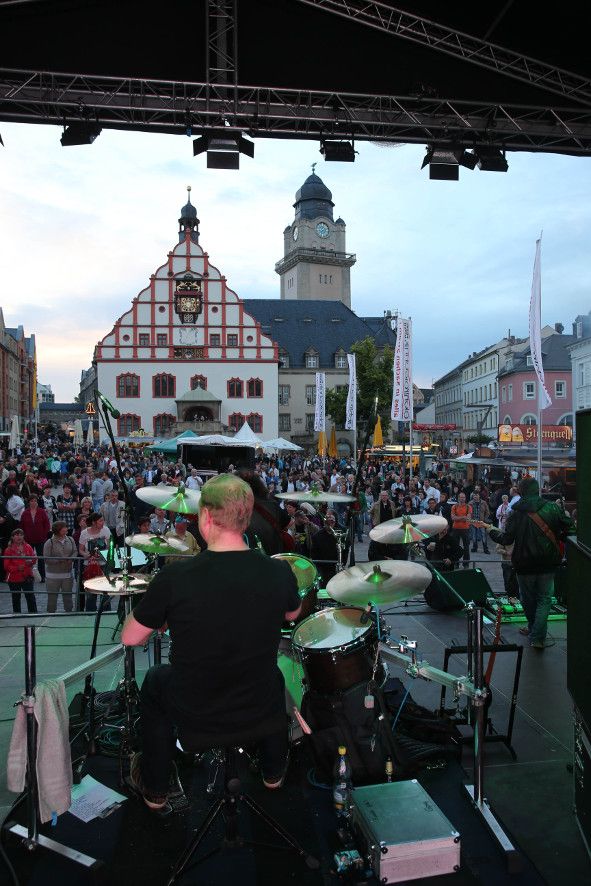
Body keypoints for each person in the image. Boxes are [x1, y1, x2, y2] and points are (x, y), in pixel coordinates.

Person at [121, 474, 301, 810]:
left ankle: (156, 787)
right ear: (246, 517)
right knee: (274, 677)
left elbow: (130, 637)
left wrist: (158, 611)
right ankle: (273, 771)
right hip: (255, 702)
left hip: (196, 709)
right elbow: (292, 615)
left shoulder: (176, 577)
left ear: (205, 518)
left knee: (155, 681)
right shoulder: (279, 572)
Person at [478, 477, 576, 649]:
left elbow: (507, 538)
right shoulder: (552, 508)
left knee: (527, 599)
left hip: (524, 564)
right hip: (548, 562)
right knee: (545, 599)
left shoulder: (515, 513)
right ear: (537, 490)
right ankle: (536, 635)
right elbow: (570, 529)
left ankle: (535, 632)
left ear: (521, 492)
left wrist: (490, 530)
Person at [43, 521, 77, 613]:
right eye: (64, 528)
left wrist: (71, 559)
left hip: (67, 575)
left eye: (66, 527)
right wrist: (59, 560)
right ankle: (50, 614)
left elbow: (75, 551)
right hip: (53, 576)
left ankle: (69, 614)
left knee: (68, 598)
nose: (66, 529)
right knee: (52, 599)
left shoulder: (70, 539)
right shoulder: (49, 542)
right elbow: (46, 559)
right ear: (58, 530)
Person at [4, 527, 37, 613]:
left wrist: (31, 561)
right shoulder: (8, 550)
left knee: (30, 597)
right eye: (16, 535)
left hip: (27, 576)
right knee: (16, 598)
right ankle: (17, 615)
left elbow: (34, 558)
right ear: (12, 537)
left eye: (21, 535)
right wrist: (17, 568)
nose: (19, 537)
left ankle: (33, 615)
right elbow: (6, 566)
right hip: (14, 578)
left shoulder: (28, 546)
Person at [20, 494, 51, 582]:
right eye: (32, 501)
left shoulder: (41, 511)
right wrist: (24, 537)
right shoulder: (25, 513)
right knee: (28, 558)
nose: (34, 503)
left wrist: (44, 535)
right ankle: (28, 575)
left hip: (40, 539)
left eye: (35, 501)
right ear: (29, 502)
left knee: (41, 558)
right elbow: (22, 526)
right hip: (28, 539)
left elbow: (47, 525)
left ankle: (42, 576)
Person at [450, 492, 472, 568]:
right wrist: (463, 517)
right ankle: (456, 563)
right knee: (455, 546)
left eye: (463, 497)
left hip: (465, 529)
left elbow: (468, 518)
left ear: (465, 498)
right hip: (455, 528)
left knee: (466, 547)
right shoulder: (454, 507)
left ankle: (466, 563)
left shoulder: (469, 507)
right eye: (461, 497)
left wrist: (458, 518)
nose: (462, 499)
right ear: (458, 498)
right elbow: (453, 518)